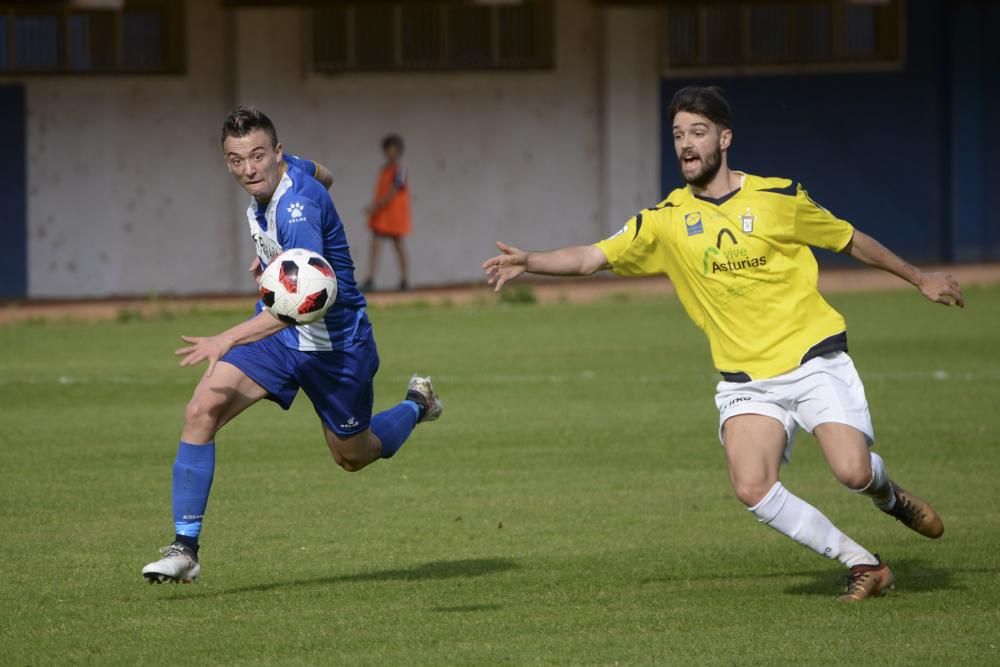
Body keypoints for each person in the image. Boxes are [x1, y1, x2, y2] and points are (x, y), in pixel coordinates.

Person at [483, 85, 964, 603]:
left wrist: (919, 278)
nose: (686, 144)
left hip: (811, 358)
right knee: (751, 486)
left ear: (724, 137)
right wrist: (530, 260)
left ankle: (887, 495)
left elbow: (849, 238)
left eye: (697, 132)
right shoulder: (665, 221)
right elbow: (590, 258)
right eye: (677, 135)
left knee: (851, 471)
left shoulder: (778, 198)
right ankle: (863, 563)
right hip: (746, 380)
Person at [141, 107, 443, 584]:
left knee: (354, 454)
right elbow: (327, 173)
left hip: (335, 346)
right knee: (202, 409)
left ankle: (417, 404)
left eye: (258, 156)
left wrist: (227, 337)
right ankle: (185, 548)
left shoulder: (295, 209)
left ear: (276, 152)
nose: (249, 169)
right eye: (237, 160)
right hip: (282, 341)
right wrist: (272, 257)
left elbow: (301, 305)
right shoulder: (292, 170)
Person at [360, 134, 412, 292]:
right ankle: (371, 278)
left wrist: (375, 207)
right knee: (375, 247)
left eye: (394, 150)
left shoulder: (400, 170)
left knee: (398, 246)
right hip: (382, 215)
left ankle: (404, 279)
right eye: (388, 150)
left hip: (394, 215)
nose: (391, 153)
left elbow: (393, 192)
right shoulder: (384, 170)